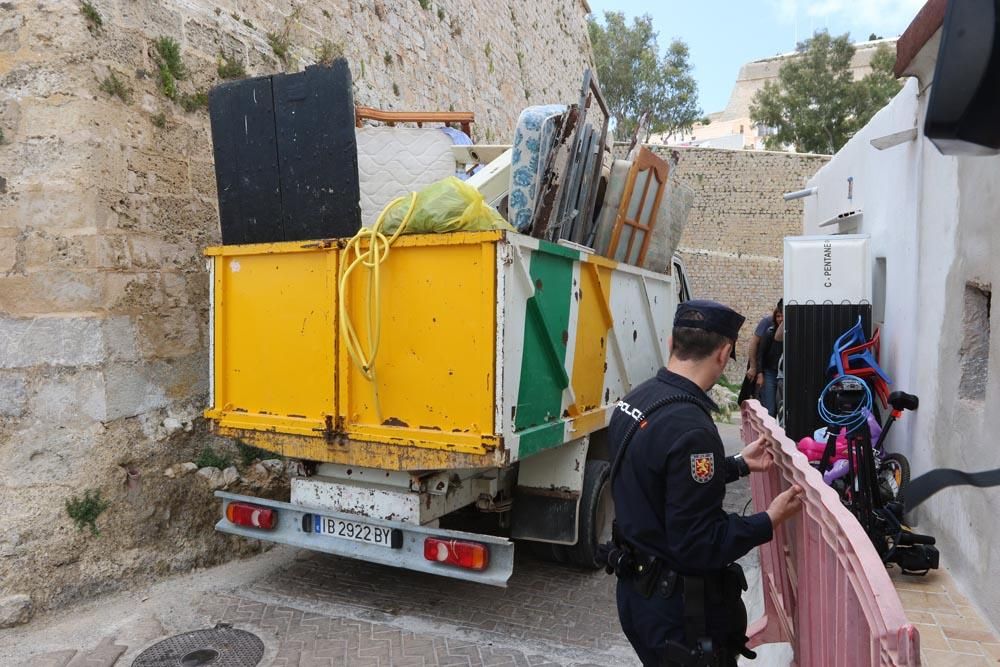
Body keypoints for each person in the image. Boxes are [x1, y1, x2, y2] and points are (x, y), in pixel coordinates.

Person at [605, 299, 803, 666]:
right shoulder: (691, 428)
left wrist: (738, 465)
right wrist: (768, 520)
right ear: (725, 352)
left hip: (635, 593)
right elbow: (698, 544)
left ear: (671, 343)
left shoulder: (636, 400)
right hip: (676, 612)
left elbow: (659, 476)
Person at [745, 299, 782, 390]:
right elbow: (755, 344)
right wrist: (754, 368)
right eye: (778, 316)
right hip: (768, 368)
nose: (780, 319)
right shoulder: (768, 323)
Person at [756, 305, 784, 417]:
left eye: (782, 316)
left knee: (782, 408)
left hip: (783, 373)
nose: (780, 319)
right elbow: (761, 354)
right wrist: (760, 373)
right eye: (778, 316)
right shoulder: (770, 332)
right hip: (770, 372)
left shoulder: (790, 333)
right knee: (770, 409)